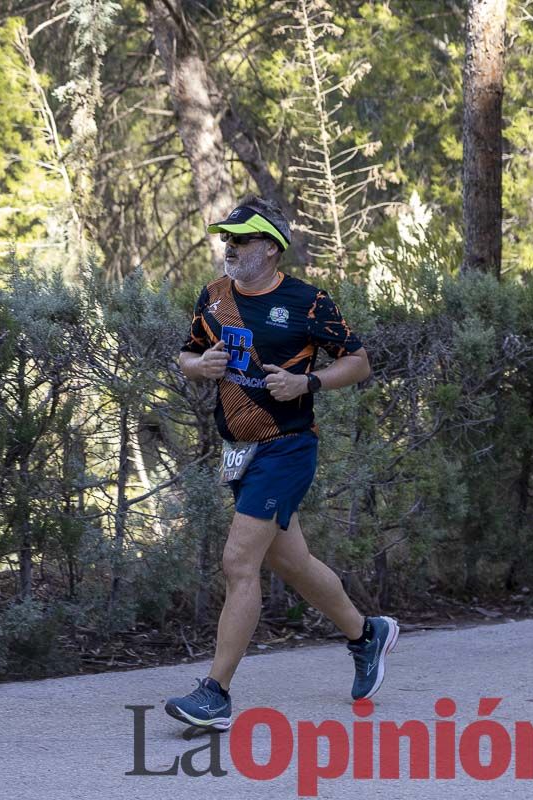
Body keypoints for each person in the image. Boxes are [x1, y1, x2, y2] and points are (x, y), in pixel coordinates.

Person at [165, 195, 399, 732]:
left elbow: (359, 362)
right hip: (239, 450)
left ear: (271, 248)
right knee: (292, 562)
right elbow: (186, 354)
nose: (229, 247)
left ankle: (215, 694)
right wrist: (201, 365)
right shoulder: (214, 296)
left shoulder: (308, 302)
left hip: (287, 448)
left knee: (238, 562)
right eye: (227, 238)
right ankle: (367, 635)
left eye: (241, 239)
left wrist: (307, 382)